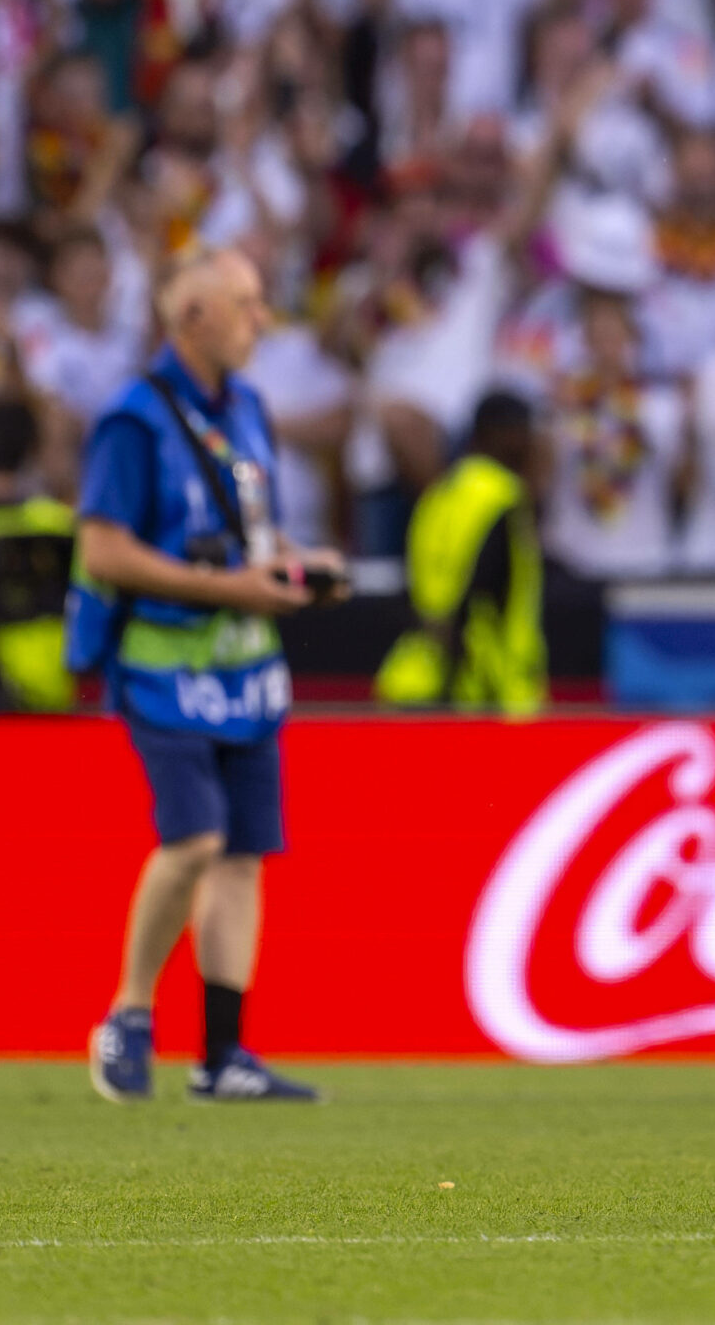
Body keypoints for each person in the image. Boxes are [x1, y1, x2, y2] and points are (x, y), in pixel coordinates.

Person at [73, 246, 344, 1106]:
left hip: (247, 668)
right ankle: (128, 1013)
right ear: (191, 317)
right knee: (191, 840)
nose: (261, 320)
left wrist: (300, 567)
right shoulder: (133, 419)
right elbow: (103, 549)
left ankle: (222, 1056)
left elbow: (250, 541)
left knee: (241, 855)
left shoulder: (250, 408)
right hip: (164, 666)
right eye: (245, 303)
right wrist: (229, 587)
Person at [375, 388, 547, 712]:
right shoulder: (504, 498)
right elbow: (481, 603)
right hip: (480, 693)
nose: (531, 444)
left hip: (418, 675)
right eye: (525, 432)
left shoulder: (439, 494)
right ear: (503, 433)